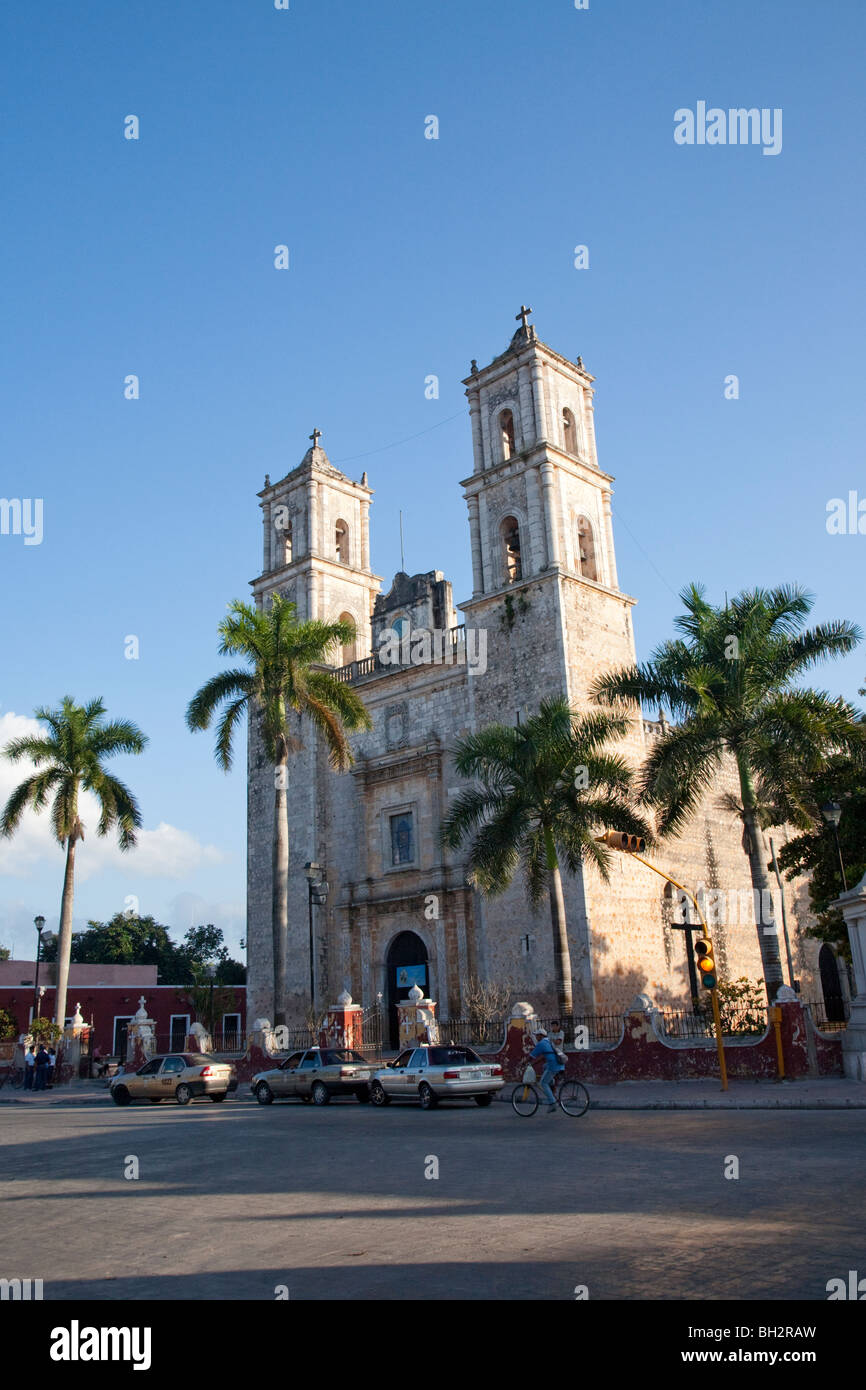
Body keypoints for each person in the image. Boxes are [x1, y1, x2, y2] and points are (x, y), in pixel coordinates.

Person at [529, 1027, 565, 1113]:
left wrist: (524, 1063)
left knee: (542, 1083)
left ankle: (552, 1103)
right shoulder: (548, 1041)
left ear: (541, 1036)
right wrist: (533, 1064)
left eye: (537, 1035)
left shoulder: (541, 1044)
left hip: (554, 1065)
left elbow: (531, 1056)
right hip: (558, 1063)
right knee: (544, 1067)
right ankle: (551, 1083)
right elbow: (543, 1056)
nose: (536, 1037)